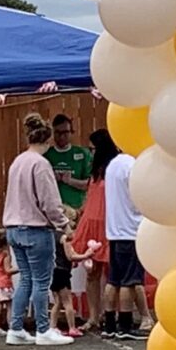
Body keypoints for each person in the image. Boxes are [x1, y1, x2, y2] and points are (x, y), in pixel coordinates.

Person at [1, 114, 72, 346]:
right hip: (36, 229)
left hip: (14, 227)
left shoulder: (18, 161)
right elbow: (49, 202)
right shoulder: (41, 164)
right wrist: (64, 223)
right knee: (42, 281)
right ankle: (44, 329)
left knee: (25, 280)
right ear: (48, 139)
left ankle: (16, 328)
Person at [99, 143, 147, 340]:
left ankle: (109, 323)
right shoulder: (133, 165)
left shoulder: (112, 165)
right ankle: (125, 325)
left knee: (114, 280)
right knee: (129, 281)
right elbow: (138, 198)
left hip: (115, 230)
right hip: (131, 229)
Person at [71, 130, 115, 333]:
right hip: (92, 222)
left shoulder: (113, 169)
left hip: (106, 223)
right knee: (92, 273)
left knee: (110, 273)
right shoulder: (95, 172)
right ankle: (94, 316)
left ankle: (109, 314)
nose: (90, 152)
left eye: (93, 148)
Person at [44, 112, 90, 216]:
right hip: (53, 212)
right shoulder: (46, 155)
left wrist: (70, 181)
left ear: (71, 132)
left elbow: (90, 184)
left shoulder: (82, 154)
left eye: (65, 132)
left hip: (77, 210)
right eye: (58, 133)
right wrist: (51, 178)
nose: (61, 137)